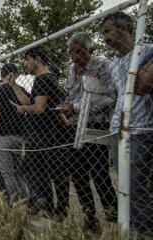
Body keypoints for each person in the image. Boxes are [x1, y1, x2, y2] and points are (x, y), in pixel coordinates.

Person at [58, 32, 118, 231]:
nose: (74, 57)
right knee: (78, 175)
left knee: (100, 174)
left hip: (95, 127)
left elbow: (111, 97)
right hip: (74, 128)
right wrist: (67, 107)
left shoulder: (102, 65)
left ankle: (114, 217)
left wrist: (77, 107)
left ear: (91, 51)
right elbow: (71, 95)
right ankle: (90, 219)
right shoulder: (70, 70)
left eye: (79, 52)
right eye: (71, 52)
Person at [101, 12, 153, 235]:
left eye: (108, 32)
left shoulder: (147, 52)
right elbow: (116, 95)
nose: (104, 38)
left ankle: (145, 231)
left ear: (124, 29)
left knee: (136, 184)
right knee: (123, 185)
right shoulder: (114, 65)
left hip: (141, 128)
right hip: (117, 128)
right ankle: (129, 229)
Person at [12, 46, 70, 219]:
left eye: (27, 59)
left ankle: (49, 205)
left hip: (41, 133)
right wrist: (13, 85)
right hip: (46, 133)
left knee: (38, 170)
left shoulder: (43, 79)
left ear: (37, 59)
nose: (25, 64)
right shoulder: (47, 79)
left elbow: (38, 107)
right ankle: (53, 208)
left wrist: (23, 109)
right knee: (49, 172)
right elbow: (31, 101)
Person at [0, 63, 29, 200]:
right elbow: (28, 103)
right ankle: (25, 199)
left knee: (7, 173)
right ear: (16, 75)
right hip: (19, 136)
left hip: (3, 137)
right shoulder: (22, 90)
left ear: (2, 75)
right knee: (18, 172)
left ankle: (16, 201)